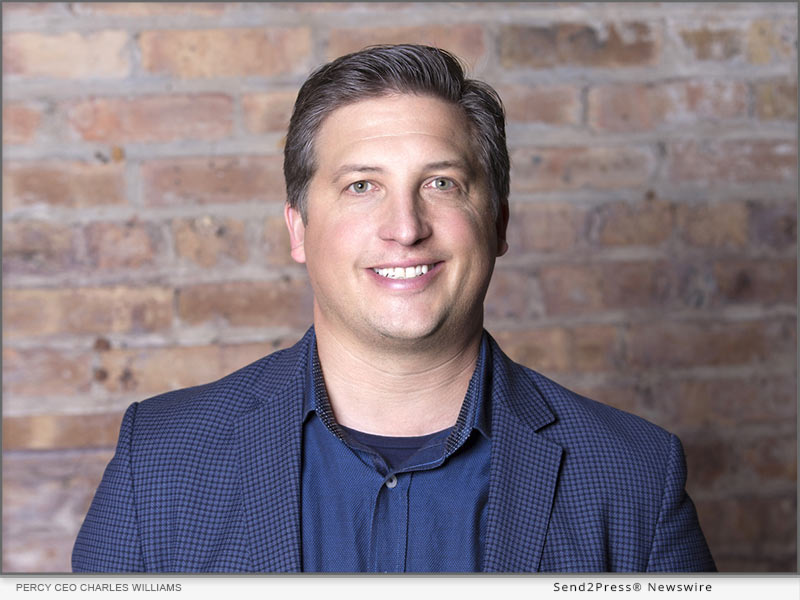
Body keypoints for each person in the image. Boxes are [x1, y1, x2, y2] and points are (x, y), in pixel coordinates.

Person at [72, 44, 715, 573]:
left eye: (441, 183)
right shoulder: (158, 461)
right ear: (298, 229)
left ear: (497, 223)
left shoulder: (634, 475)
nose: (405, 228)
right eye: (362, 186)